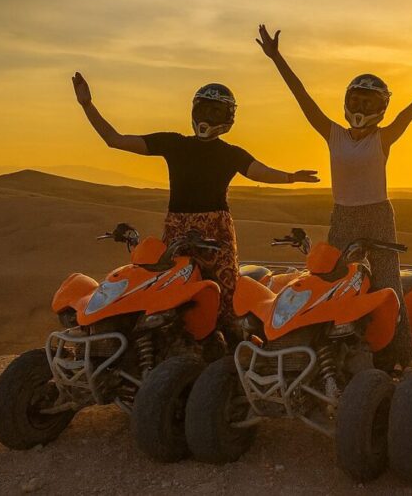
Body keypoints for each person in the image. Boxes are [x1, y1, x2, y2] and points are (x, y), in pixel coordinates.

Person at [254, 24, 412, 368]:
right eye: (355, 100)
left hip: (377, 215)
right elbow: (303, 98)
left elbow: (410, 112)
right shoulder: (333, 134)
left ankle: (402, 357)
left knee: (388, 286)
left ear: (380, 107)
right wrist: (277, 58)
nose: (360, 106)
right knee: (330, 283)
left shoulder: (382, 137)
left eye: (367, 101)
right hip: (343, 215)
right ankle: (330, 356)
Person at [71, 72, 319, 339]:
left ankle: (229, 358)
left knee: (226, 298)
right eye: (204, 108)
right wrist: (87, 105)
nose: (208, 116)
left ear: (227, 118)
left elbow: (261, 172)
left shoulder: (230, 153)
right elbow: (115, 140)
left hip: (216, 232)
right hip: (177, 229)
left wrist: (291, 177)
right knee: (164, 290)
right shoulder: (174, 143)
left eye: (216, 111)